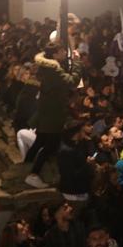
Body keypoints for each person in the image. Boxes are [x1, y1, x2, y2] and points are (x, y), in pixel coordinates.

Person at [26, 43, 82, 189]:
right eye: (62, 50)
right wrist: (77, 63)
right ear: (55, 54)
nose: (65, 52)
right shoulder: (54, 70)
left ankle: (26, 167)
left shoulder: (46, 67)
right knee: (50, 145)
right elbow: (72, 81)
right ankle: (33, 174)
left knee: (40, 141)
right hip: (53, 114)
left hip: (46, 111)